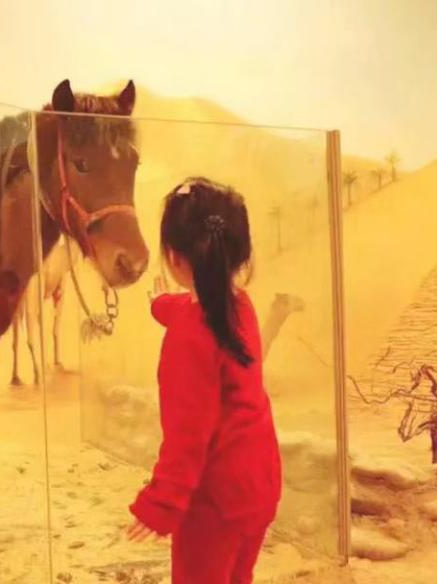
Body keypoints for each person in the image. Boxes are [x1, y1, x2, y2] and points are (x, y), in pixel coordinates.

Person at [126, 177, 282, 584]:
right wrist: (160, 304)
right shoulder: (240, 306)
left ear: (173, 257)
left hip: (215, 502)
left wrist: (160, 503)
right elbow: (193, 309)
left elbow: (188, 436)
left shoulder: (188, 339)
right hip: (258, 486)